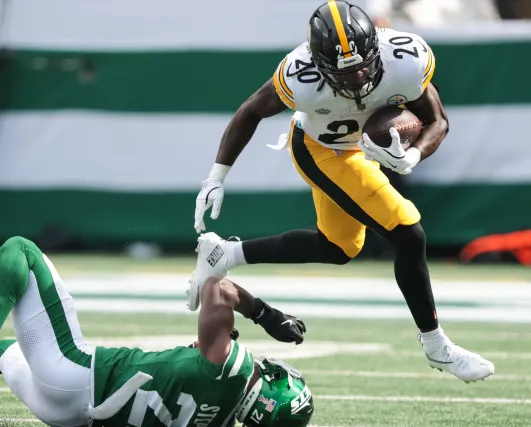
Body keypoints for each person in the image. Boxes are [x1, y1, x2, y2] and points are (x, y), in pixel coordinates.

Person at [191, 0, 494, 383]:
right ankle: (437, 346)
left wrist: (413, 155)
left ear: (376, 48)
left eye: (363, 65)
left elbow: (437, 121)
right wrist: (216, 177)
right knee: (408, 232)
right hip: (322, 150)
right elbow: (251, 110)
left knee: (338, 248)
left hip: (356, 148)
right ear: (318, 63)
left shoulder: (405, 58)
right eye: (343, 72)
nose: (357, 78)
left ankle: (224, 254)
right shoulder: (299, 75)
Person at [0, 236, 312, 427]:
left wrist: (266, 315)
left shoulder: (231, 370)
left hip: (76, 373)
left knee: (22, 251)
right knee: (9, 353)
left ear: (273, 389)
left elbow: (218, 288)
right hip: (69, 414)